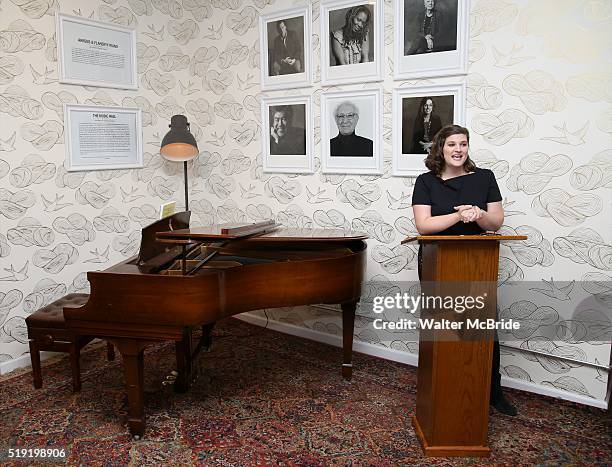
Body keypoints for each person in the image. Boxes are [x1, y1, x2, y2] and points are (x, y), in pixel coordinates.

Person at [411, 124, 517, 417]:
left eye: (463, 144)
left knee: (483, 325)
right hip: (437, 261)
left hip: (476, 261)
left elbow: (495, 222)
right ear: (440, 149)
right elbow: (424, 225)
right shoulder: (426, 182)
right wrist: (458, 214)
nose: (458, 149)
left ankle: (492, 390)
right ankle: (444, 386)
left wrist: (480, 214)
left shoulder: (484, 178)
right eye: (451, 145)